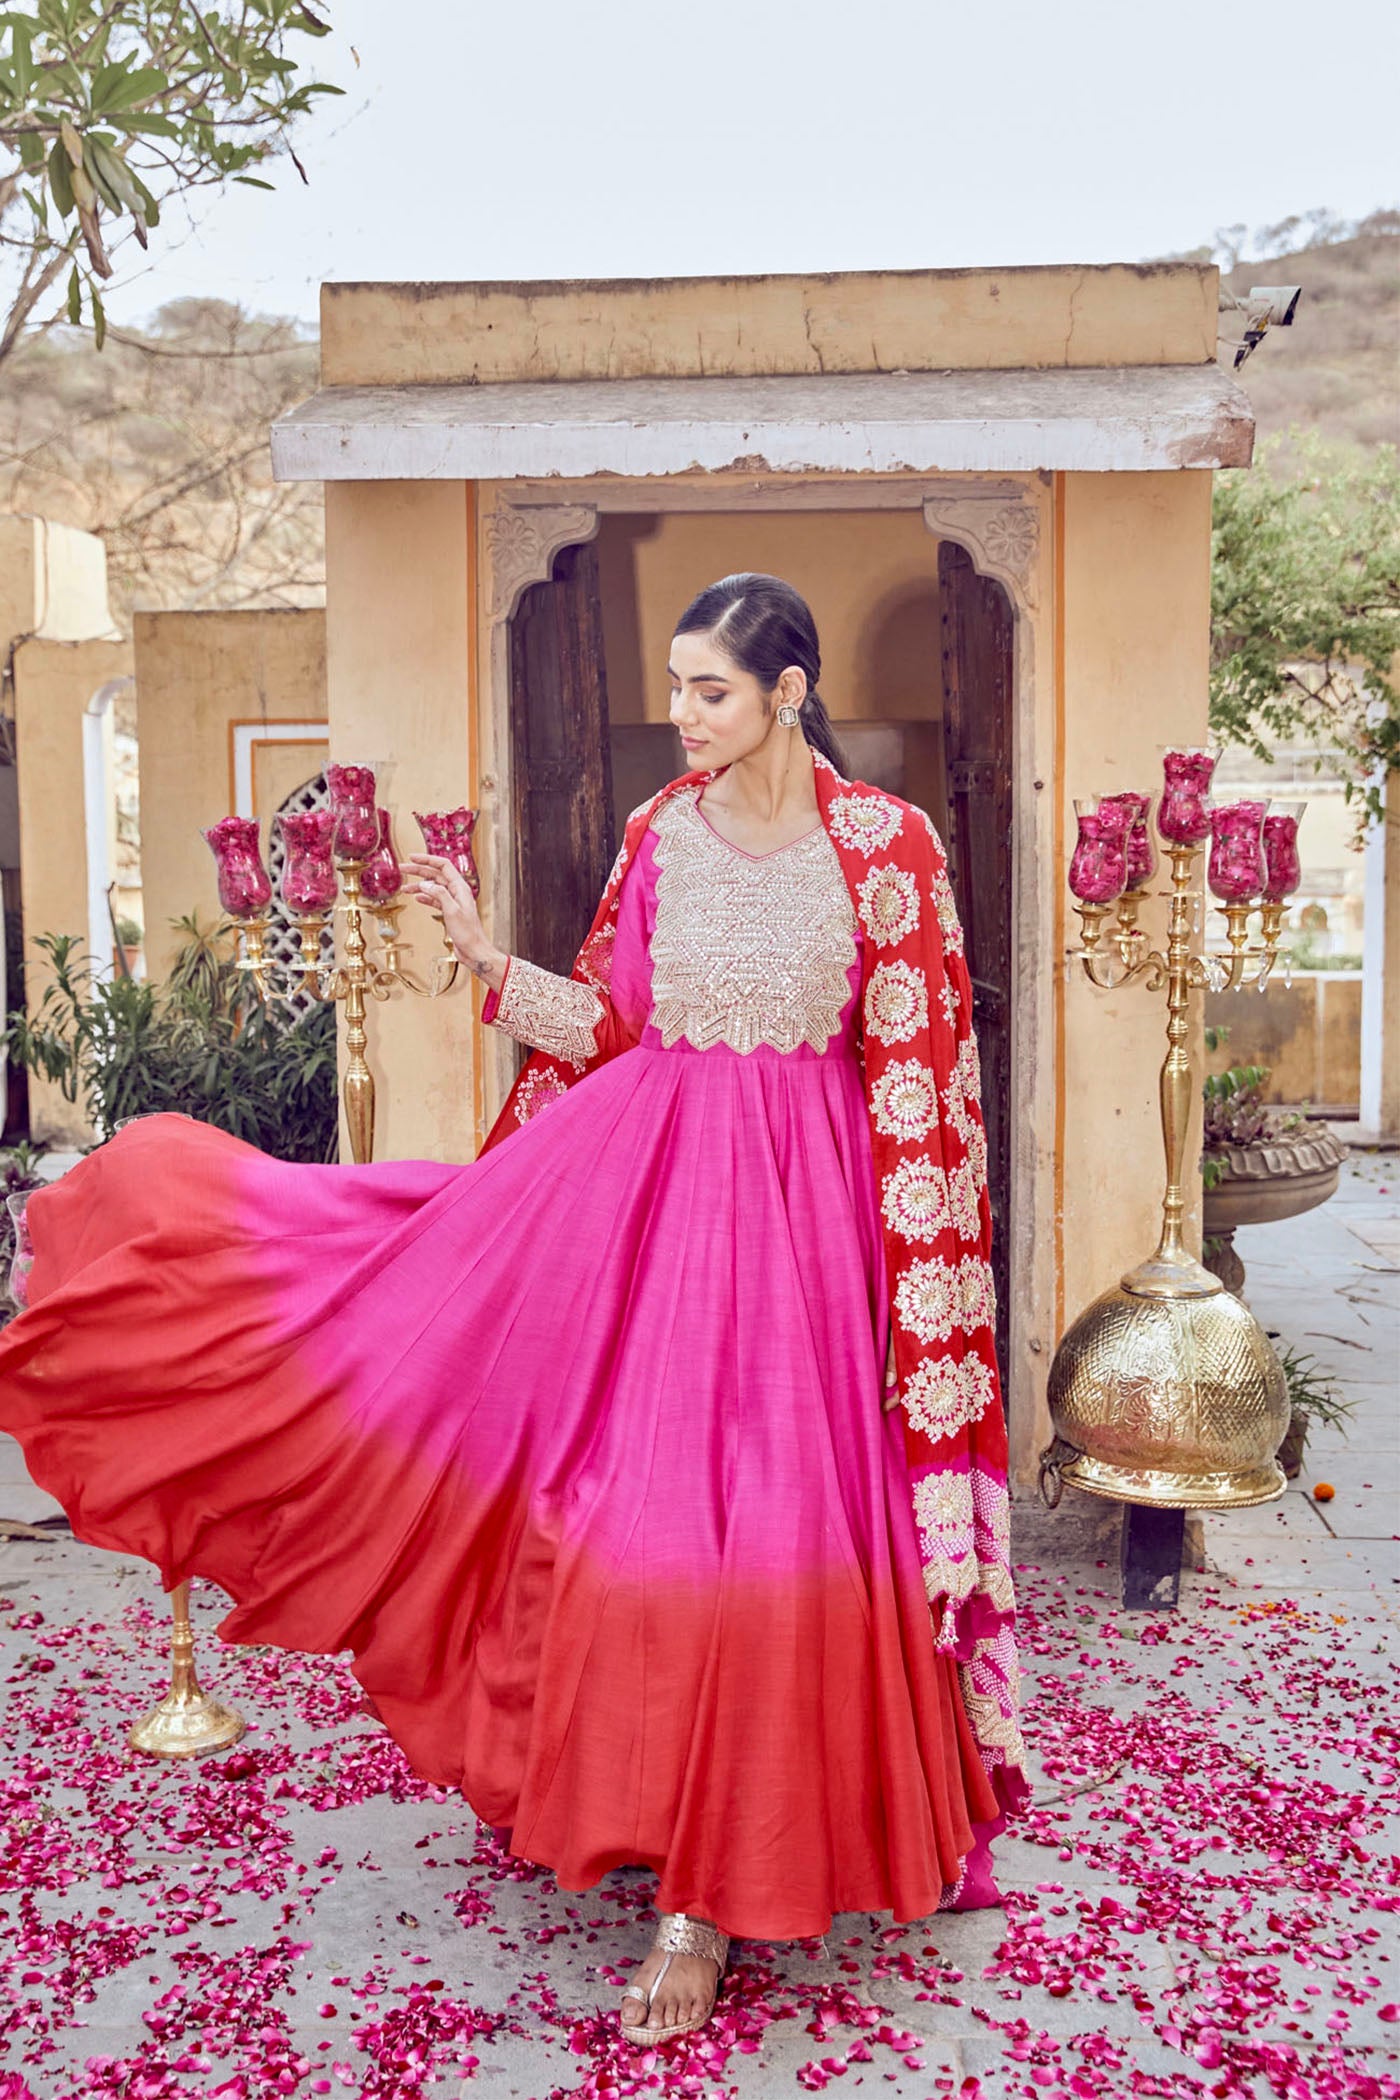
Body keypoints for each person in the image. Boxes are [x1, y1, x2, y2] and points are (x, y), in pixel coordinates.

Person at [0, 572, 1029, 2047]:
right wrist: (491, 963)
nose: (681, 715)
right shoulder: (657, 835)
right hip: (655, 1218)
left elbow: (925, 1087)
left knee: (792, 1547)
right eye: (674, 685)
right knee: (658, 1534)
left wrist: (912, 1296)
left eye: (711, 690)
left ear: (789, 692)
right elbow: (615, 1026)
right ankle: (688, 1883)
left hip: (817, 1240)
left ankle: (776, 1847)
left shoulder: (887, 850)